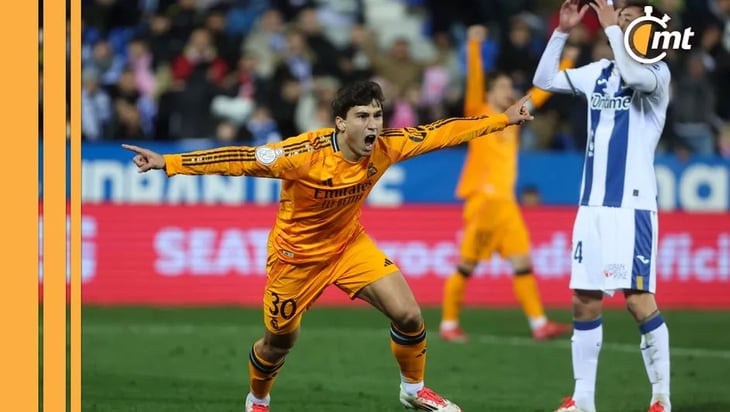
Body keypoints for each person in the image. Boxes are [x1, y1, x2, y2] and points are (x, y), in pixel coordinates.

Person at [122, 80, 534, 412]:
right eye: (362, 117)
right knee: (279, 342)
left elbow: (441, 132)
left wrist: (502, 120)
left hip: (348, 246)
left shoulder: (387, 145)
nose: (373, 125)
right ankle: (258, 400)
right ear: (340, 122)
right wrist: (170, 163)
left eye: (377, 115)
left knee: (408, 315)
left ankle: (414, 390)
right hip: (295, 260)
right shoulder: (302, 155)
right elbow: (242, 158)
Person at [532, 1, 672, 411]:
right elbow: (543, 79)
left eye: (631, 22)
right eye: (619, 19)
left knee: (637, 300)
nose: (621, 26)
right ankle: (583, 400)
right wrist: (561, 31)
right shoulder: (598, 74)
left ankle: (661, 398)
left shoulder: (655, 74)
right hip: (591, 206)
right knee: (584, 300)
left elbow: (632, 71)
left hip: (632, 207)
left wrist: (612, 26)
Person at [439, 24, 573, 343]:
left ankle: (539, 323)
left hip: (507, 205)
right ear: (488, 93)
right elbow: (474, 81)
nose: (507, 91)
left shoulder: (513, 117)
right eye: (501, 87)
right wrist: (473, 46)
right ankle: (448, 324)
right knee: (466, 266)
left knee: (523, 263)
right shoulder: (479, 114)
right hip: (484, 204)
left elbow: (539, 93)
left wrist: (566, 64)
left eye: (508, 86)